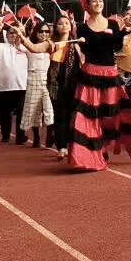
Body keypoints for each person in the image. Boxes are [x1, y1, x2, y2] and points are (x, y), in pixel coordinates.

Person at [68, 0, 131, 171]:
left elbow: (117, 47)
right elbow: (88, 48)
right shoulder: (82, 28)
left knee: (110, 114)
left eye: (101, 1)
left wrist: (123, 33)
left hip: (110, 73)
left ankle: (106, 144)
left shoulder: (113, 24)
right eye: (95, 1)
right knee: (90, 115)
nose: (98, 4)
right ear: (88, 5)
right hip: (90, 73)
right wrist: (93, 39)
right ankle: (92, 152)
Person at [17, 20, 55, 148]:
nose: (44, 34)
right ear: (36, 32)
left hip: (47, 80)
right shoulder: (29, 44)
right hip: (33, 78)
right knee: (34, 109)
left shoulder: (51, 45)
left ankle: (50, 134)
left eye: (47, 31)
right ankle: (37, 136)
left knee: (49, 108)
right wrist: (20, 33)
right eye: (41, 31)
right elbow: (18, 45)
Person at [46, 15, 80, 158]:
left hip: (75, 85)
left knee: (74, 117)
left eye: (67, 23)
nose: (64, 25)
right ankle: (61, 146)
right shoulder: (52, 44)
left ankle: (73, 145)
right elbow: (35, 48)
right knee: (61, 115)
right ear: (56, 27)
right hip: (57, 85)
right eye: (60, 23)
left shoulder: (77, 43)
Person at [0, 27, 29, 144]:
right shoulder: (2, 46)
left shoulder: (25, 47)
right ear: (6, 35)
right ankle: (5, 135)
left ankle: (20, 136)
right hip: (4, 86)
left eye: (16, 33)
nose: (13, 35)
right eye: (11, 33)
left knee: (21, 112)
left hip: (22, 85)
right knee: (5, 112)